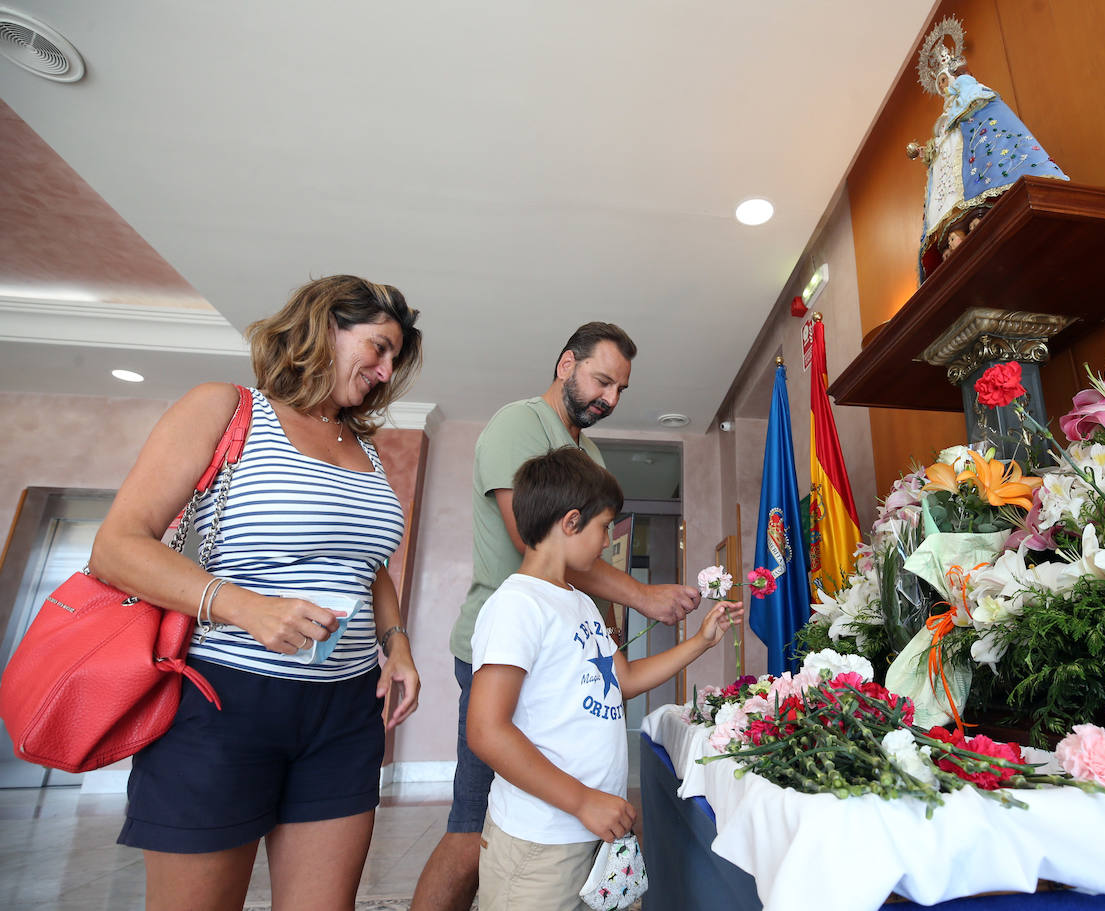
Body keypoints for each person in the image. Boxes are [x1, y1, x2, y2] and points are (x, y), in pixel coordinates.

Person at [89, 274, 423, 911]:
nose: (385, 371)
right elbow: (118, 546)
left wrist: (396, 644)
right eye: (378, 348)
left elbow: (368, 565)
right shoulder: (227, 408)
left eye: (394, 358)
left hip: (345, 712)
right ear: (324, 327)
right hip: (223, 702)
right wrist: (245, 607)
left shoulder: (368, 451)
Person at [411, 321, 701, 911]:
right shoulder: (518, 425)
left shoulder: (587, 451)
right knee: (473, 824)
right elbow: (534, 539)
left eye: (621, 389)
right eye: (602, 380)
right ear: (566, 363)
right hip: (511, 650)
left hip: (567, 646)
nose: (610, 399)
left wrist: (605, 621)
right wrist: (641, 596)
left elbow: (576, 575)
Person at [466, 447, 744, 911]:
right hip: (540, 843)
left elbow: (626, 679)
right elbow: (486, 730)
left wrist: (701, 641)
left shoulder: (577, 601)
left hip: (587, 831)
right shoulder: (516, 606)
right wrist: (580, 801)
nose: (606, 542)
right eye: (603, 527)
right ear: (571, 522)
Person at [907, 18, 1068, 279]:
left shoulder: (970, 93)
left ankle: (980, 216)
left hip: (972, 153)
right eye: (941, 86)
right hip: (951, 160)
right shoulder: (944, 119)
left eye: (945, 81)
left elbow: (981, 109)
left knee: (982, 165)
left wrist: (961, 91)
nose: (944, 88)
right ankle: (956, 231)